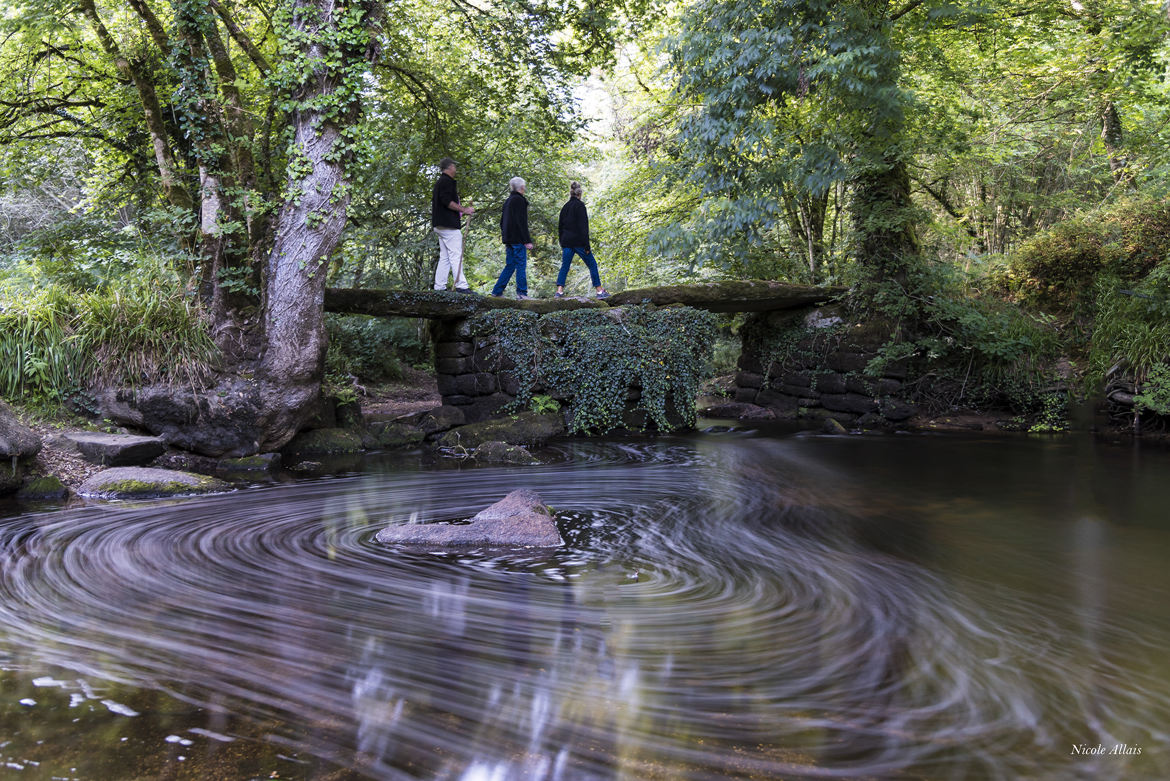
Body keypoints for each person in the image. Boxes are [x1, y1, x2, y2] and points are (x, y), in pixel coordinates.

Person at [555, 181, 609, 299]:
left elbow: (560, 227)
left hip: (567, 243)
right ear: (580, 194)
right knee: (592, 264)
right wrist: (587, 246)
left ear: (571, 193)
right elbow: (583, 227)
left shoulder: (565, 207)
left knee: (565, 266)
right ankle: (599, 291)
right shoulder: (580, 206)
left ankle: (559, 291)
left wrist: (562, 242)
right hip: (579, 242)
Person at [431, 157, 476, 293]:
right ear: (450, 167)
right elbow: (447, 201)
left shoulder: (440, 182)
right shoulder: (446, 181)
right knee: (456, 254)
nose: (455, 170)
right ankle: (461, 286)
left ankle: (439, 287)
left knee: (445, 256)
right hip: (448, 225)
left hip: (440, 225)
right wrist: (465, 210)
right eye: (454, 167)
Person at [491, 177, 534, 300]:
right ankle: (522, 294)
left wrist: (505, 235)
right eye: (524, 186)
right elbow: (521, 222)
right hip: (517, 239)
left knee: (510, 265)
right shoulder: (519, 201)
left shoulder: (508, 201)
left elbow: (501, 222)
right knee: (521, 265)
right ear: (521, 187)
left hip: (508, 238)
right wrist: (527, 240)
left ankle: (497, 291)